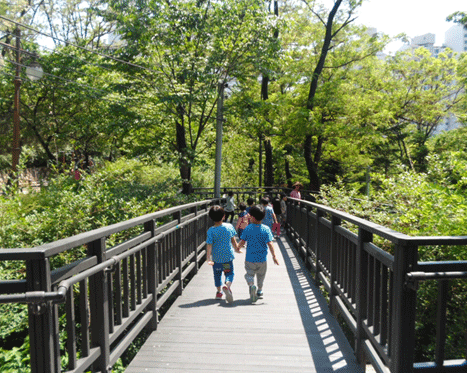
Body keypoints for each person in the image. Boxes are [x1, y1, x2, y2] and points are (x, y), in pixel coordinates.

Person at [237, 205, 279, 302]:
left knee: (249, 274)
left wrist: (238, 248)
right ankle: (259, 290)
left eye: (250, 215)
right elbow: (270, 243)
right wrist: (274, 256)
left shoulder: (248, 228)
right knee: (261, 275)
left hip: (250, 258)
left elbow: (242, 241)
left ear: (253, 217)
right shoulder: (266, 229)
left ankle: (251, 285)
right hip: (262, 259)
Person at [206, 205, 240, 303]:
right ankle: (227, 285)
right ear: (224, 216)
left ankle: (219, 292)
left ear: (211, 217)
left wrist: (208, 257)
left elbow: (209, 245)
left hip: (216, 259)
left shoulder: (211, 231)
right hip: (227, 257)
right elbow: (233, 240)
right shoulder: (229, 227)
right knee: (229, 273)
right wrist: (237, 248)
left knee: (217, 274)